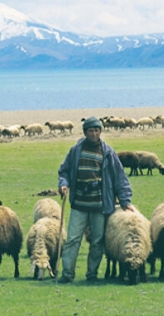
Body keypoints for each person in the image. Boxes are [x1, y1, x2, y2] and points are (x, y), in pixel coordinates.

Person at [56, 116, 133, 283]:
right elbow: (64, 171)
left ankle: (92, 274)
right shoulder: (76, 151)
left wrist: (125, 201)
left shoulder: (108, 153)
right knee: (72, 240)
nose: (94, 133)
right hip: (79, 204)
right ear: (85, 132)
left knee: (97, 241)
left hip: (100, 205)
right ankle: (67, 274)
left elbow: (120, 178)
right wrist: (63, 184)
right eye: (91, 130)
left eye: (97, 130)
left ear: (100, 131)